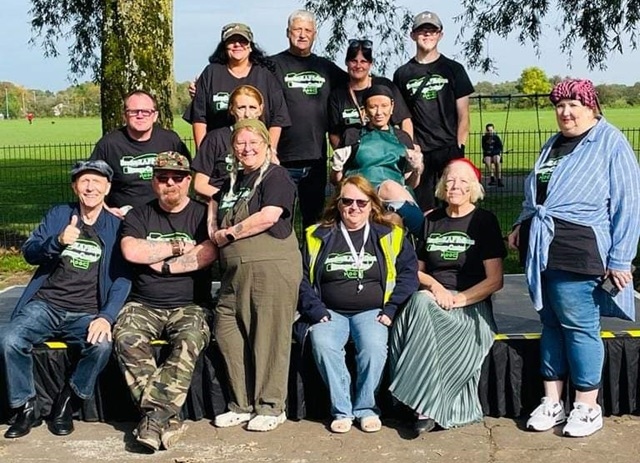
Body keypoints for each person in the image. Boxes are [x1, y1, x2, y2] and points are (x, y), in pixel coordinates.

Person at [507, 79, 640, 438]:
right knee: (550, 324)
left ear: (591, 106)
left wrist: (622, 258)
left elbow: (629, 202)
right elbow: (538, 191)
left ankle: (586, 404)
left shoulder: (610, 141)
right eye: (560, 105)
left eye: (573, 104)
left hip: (579, 248)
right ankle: (553, 400)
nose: (565, 112)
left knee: (580, 325)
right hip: (543, 248)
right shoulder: (553, 145)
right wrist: (523, 221)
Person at [0, 160, 130, 439]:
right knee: (10, 340)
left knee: (102, 346)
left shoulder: (117, 227)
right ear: (75, 187)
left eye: (97, 182)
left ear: (107, 188)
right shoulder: (60, 214)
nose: (90, 187)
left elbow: (122, 279)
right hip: (46, 305)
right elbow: (30, 253)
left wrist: (106, 316)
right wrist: (57, 241)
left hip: (87, 311)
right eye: (84, 181)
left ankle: (67, 402)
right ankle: (25, 406)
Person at [389, 158, 506, 434]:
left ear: (474, 188)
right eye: (451, 179)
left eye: (463, 181)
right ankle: (424, 402)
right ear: (442, 185)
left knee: (420, 306)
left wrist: (459, 299)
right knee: (419, 301)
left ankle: (421, 402)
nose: (456, 185)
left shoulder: (484, 221)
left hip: (470, 305)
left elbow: (495, 280)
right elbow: (416, 272)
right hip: (433, 299)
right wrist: (436, 288)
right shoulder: (431, 220)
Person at [296, 174, 418, 433]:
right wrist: (316, 311)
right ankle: (342, 410)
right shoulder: (316, 235)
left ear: (373, 204)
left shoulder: (391, 235)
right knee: (322, 342)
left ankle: (366, 408)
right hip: (329, 311)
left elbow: (409, 275)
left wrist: (391, 309)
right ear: (337, 204)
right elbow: (301, 278)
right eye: (347, 201)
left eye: (361, 202)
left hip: (374, 311)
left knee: (374, 346)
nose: (354, 208)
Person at [114, 151, 218, 451]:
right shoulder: (139, 214)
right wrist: (176, 246)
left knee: (189, 339)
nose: (169, 183)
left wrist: (161, 259)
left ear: (188, 180)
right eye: (162, 177)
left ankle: (153, 418)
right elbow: (132, 251)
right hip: (143, 302)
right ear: (153, 181)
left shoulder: (201, 215)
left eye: (176, 177)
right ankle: (165, 419)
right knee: (125, 337)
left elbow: (205, 254)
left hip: (190, 304)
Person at [209, 119, 301, 432]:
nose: (247, 149)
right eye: (240, 144)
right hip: (233, 273)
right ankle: (242, 403)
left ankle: (271, 406)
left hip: (271, 266)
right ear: (233, 148)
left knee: (269, 337)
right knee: (227, 330)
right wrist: (213, 226)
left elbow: (269, 215)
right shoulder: (232, 182)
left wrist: (230, 233)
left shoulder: (276, 176)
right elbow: (213, 205)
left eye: (253, 143)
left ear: (266, 145)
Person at [271, 10, 348, 228]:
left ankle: (310, 262)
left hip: (315, 160)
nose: (302, 35)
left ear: (314, 34)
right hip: (281, 159)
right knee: (279, 220)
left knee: (313, 220)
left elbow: (357, 83)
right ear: (288, 33)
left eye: (307, 30)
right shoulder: (272, 65)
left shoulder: (326, 68)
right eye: (297, 29)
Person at [393, 10, 474, 212]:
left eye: (432, 31)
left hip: (449, 149)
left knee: (454, 204)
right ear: (412, 35)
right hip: (421, 150)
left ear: (440, 35)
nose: (427, 35)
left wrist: (459, 147)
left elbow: (464, 114)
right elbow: (402, 118)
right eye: (422, 31)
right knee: (424, 208)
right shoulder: (402, 74)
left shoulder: (454, 69)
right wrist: (411, 148)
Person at [330, 85, 424, 236]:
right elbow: (337, 181)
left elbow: (410, 183)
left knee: (392, 219)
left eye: (384, 106)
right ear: (365, 110)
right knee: (388, 187)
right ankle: (424, 232)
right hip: (360, 200)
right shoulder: (352, 135)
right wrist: (336, 167)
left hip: (394, 203)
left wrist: (417, 170)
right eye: (373, 107)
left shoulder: (402, 138)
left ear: (392, 107)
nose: (379, 112)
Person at [187, 23, 290, 149]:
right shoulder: (211, 73)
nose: (237, 45)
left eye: (242, 41)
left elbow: (278, 118)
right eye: (231, 41)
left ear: (250, 46)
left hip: (255, 153)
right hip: (219, 154)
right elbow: (199, 118)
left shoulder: (265, 75)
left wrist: (270, 150)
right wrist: (203, 153)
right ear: (224, 46)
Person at [89, 90, 191, 217]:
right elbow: (89, 181)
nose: (140, 116)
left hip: (165, 215)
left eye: (146, 112)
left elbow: (189, 175)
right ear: (124, 116)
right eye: (133, 112)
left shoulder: (170, 140)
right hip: (123, 217)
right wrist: (105, 209)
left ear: (155, 116)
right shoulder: (109, 144)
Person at [329, 39, 412, 149]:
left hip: (388, 153)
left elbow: (404, 120)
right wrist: (345, 158)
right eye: (354, 61)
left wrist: (408, 151)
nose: (358, 66)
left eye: (363, 61)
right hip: (355, 158)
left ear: (370, 64)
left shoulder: (385, 86)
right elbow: (334, 134)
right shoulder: (338, 95)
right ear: (346, 62)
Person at [192, 84, 265, 199]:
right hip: (221, 202)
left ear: (260, 110)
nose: (247, 114)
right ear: (231, 109)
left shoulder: (265, 140)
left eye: (252, 107)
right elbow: (199, 185)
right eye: (241, 108)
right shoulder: (215, 138)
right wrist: (230, 198)